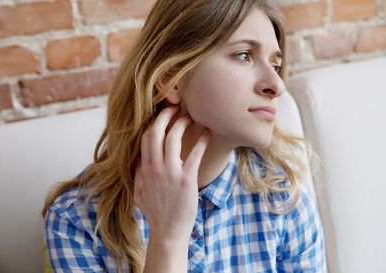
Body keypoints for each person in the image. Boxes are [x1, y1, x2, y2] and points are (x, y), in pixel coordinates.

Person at [42, 0, 327, 272]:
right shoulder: (75, 222)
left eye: (276, 65)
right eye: (244, 55)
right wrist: (168, 238)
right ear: (171, 78)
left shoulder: (284, 197)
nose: (276, 85)